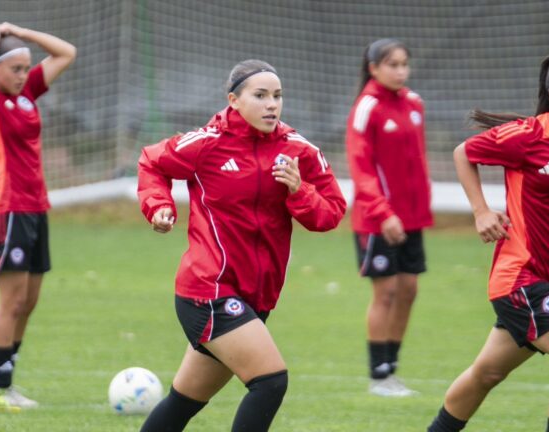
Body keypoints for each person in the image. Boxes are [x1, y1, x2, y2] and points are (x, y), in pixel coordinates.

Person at [137, 59, 345, 432]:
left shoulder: (299, 151)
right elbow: (151, 162)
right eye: (260, 95)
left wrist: (300, 190)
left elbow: (330, 214)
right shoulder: (206, 144)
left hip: (256, 296)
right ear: (234, 100)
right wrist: (159, 206)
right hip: (208, 289)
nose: (272, 104)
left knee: (183, 402)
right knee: (270, 382)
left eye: (277, 96)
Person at [427, 55, 549, 432]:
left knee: (486, 373)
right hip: (520, 276)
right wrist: (481, 211)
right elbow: (463, 153)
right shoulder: (527, 136)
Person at [0, 22, 75, 412]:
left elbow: (66, 52)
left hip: (35, 207)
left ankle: (0, 380)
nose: (22, 76)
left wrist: (22, 33)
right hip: (5, 207)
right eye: (14, 69)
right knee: (11, 300)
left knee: (28, 301)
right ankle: (1, 389)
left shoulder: (28, 92)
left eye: (25, 68)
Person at [345, 38, 433, 397]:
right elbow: (361, 167)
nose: (400, 71)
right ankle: (379, 374)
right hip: (376, 219)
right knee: (386, 292)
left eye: (404, 64)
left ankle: (392, 368)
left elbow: (417, 163)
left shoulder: (414, 104)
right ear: (373, 68)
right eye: (392, 64)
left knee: (409, 289)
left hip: (412, 218)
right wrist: (383, 213)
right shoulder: (366, 108)